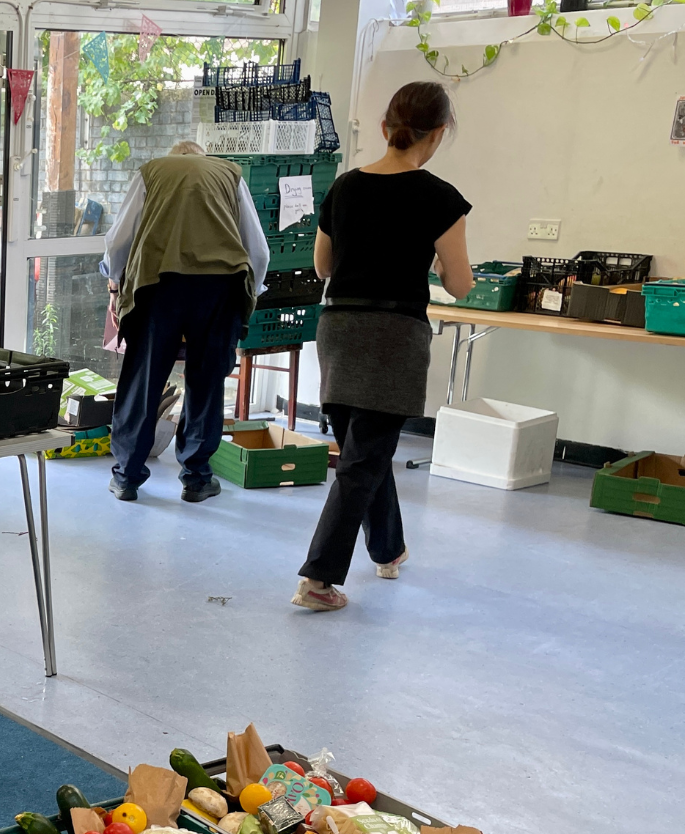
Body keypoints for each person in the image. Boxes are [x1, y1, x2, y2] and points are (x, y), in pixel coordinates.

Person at [293, 82, 472, 612]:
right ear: (438, 134)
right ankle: (318, 579)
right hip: (393, 337)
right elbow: (461, 286)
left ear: (384, 128)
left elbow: (323, 266)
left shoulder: (345, 187)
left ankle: (388, 548)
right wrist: (438, 264)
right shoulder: (440, 197)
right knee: (362, 460)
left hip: (340, 329)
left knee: (364, 453)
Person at [100, 140, 269, 504]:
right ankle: (196, 478)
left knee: (144, 379)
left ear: (173, 156)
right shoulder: (230, 174)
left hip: (157, 284)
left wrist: (115, 282)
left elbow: (118, 241)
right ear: (202, 158)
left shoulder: (153, 170)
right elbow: (258, 250)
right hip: (219, 287)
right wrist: (248, 294)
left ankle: (127, 477)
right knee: (206, 381)